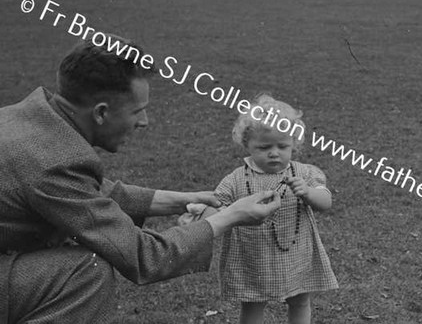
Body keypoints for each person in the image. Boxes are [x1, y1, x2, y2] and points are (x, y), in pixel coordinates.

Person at [0, 36, 281, 324]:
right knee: (85, 271)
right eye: (137, 110)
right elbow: (144, 257)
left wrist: (185, 199)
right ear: (101, 113)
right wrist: (231, 216)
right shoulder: (54, 164)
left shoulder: (30, 118)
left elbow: (92, 193)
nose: (144, 121)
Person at [181, 94, 338, 324]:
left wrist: (308, 193)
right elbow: (218, 205)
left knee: (300, 300)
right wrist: (199, 217)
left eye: (282, 146)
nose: (274, 152)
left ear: (294, 143)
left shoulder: (304, 174)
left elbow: (326, 202)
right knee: (253, 303)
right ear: (247, 145)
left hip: (297, 254)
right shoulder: (236, 179)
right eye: (264, 147)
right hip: (253, 256)